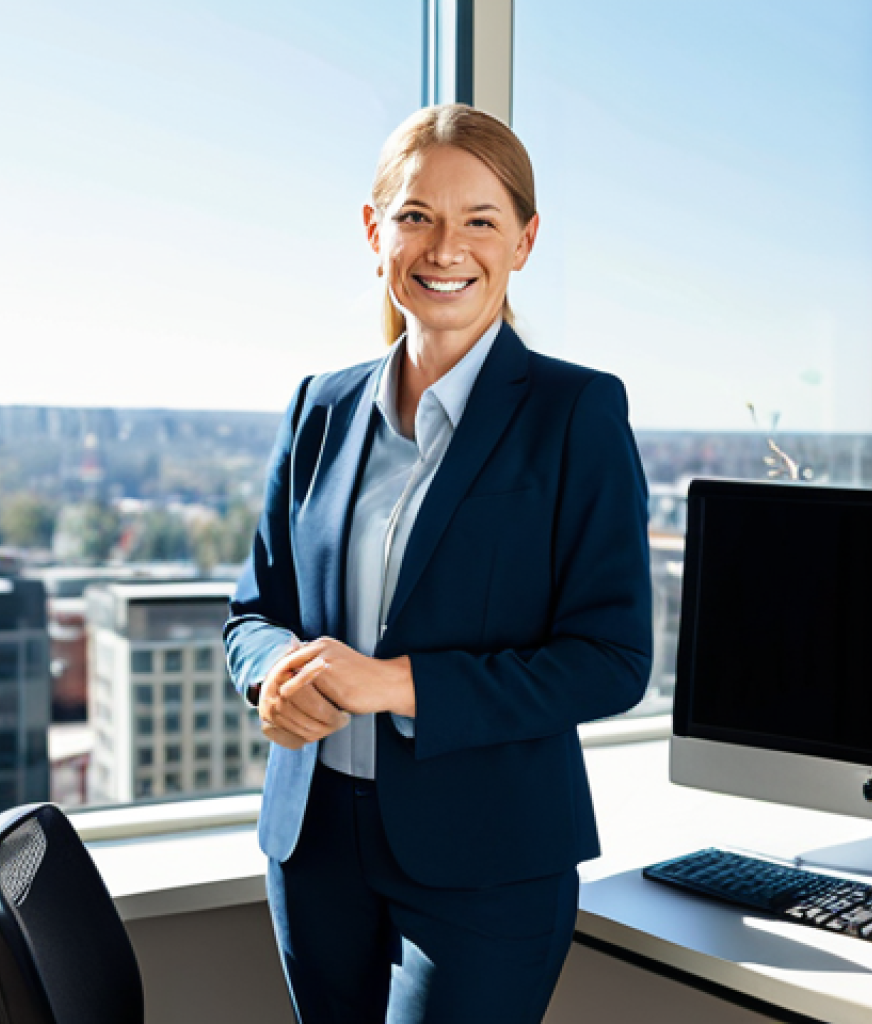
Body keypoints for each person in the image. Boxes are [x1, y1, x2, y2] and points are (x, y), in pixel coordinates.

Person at [224, 103, 652, 1024]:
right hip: (314, 842)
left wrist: (397, 684)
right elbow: (253, 612)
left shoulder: (576, 414)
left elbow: (612, 661)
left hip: (488, 856)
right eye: (416, 215)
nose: (446, 248)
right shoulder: (320, 407)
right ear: (373, 230)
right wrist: (272, 675)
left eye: (480, 221)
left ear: (524, 241)